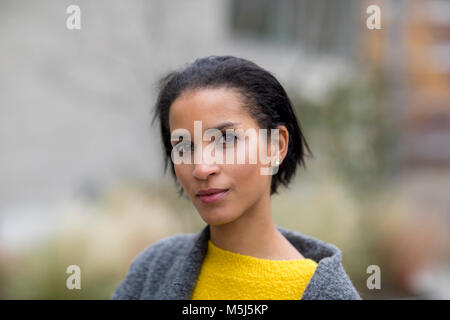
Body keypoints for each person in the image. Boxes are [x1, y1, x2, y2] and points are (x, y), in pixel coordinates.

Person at [112, 55, 361, 300]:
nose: (201, 168)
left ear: (276, 145)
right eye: (184, 147)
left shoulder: (327, 292)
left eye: (227, 139)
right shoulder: (153, 269)